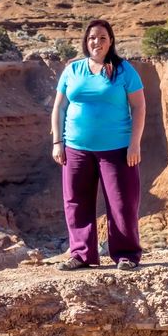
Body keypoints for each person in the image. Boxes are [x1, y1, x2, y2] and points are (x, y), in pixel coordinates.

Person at [50, 18, 145, 270]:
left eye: (103, 37)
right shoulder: (73, 70)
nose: (97, 42)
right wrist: (57, 141)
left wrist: (134, 144)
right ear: (86, 41)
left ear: (111, 41)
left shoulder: (124, 70)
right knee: (75, 201)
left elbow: (139, 107)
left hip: (117, 150)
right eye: (92, 37)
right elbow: (59, 107)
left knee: (122, 203)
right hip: (76, 148)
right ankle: (81, 254)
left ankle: (126, 255)